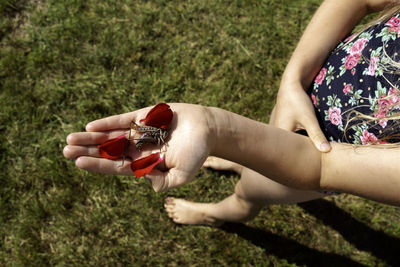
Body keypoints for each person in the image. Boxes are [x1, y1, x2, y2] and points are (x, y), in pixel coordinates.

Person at [64, 0, 400, 226]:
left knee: (250, 191)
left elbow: (322, 166)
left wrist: (215, 128)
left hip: (321, 159)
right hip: (302, 100)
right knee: (258, 142)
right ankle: (237, 156)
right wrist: (293, 80)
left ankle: (218, 213)